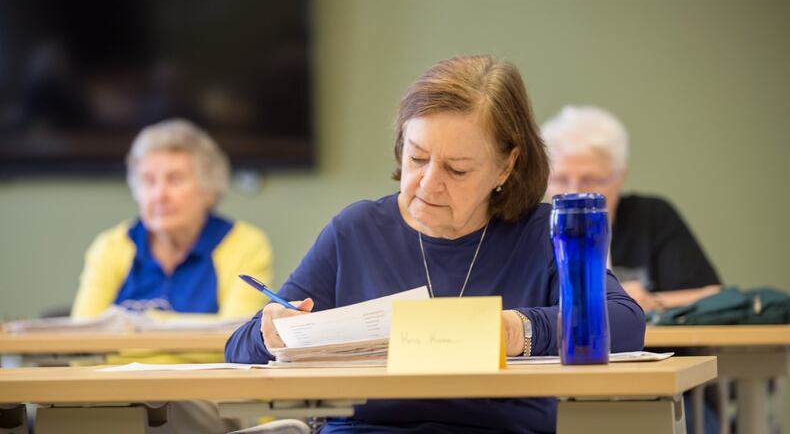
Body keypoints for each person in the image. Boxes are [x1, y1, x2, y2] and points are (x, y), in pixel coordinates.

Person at [226, 55, 645, 433]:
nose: (428, 184)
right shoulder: (357, 230)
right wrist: (271, 333)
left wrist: (518, 331)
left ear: (506, 165)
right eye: (417, 158)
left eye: (457, 170)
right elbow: (239, 348)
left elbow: (625, 322)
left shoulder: (540, 232)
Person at [71, 118, 272, 319]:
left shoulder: (244, 244)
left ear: (209, 188)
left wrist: (143, 324)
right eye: (148, 181)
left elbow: (238, 336)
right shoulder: (110, 246)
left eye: (175, 179)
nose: (159, 195)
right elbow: (83, 336)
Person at [542, 106, 721, 313]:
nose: (574, 193)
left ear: (620, 177)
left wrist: (649, 301)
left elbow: (715, 295)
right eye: (560, 179)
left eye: (591, 180)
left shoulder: (651, 217)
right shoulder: (529, 227)